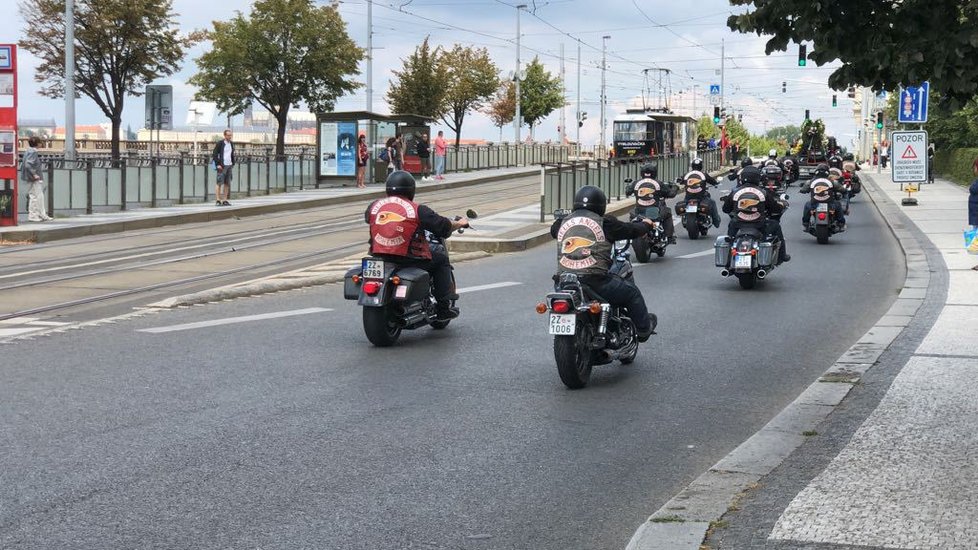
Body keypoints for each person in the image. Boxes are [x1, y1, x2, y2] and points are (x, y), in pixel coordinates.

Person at [550, 185, 657, 342]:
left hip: (564, 281)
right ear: (601, 205)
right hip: (595, 281)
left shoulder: (561, 223)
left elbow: (554, 231)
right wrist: (646, 224)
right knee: (632, 294)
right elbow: (631, 230)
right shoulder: (605, 223)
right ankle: (642, 331)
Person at [365, 171, 469, 320]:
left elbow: (368, 219)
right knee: (440, 260)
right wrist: (459, 223)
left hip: (378, 257)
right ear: (411, 189)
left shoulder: (373, 206)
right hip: (408, 259)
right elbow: (443, 227)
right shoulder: (417, 209)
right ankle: (443, 308)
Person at [721, 165, 790, 263]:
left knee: (730, 236)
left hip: (738, 225)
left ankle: (728, 258)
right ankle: (782, 255)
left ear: (742, 177)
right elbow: (775, 209)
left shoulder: (735, 191)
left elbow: (725, 209)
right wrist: (782, 205)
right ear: (758, 178)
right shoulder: (763, 192)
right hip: (759, 225)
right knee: (776, 226)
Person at [627, 163, 677, 244]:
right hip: (653, 211)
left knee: (632, 216)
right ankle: (669, 236)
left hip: (639, 211)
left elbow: (627, 192)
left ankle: (629, 235)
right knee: (667, 212)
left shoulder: (636, 183)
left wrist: (629, 186)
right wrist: (675, 187)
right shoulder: (658, 183)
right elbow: (670, 194)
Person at [800, 163, 846, 231]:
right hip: (830, 205)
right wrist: (844, 191)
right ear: (827, 172)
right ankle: (841, 224)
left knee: (807, 205)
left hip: (814, 205)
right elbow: (842, 189)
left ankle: (805, 224)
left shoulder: (810, 181)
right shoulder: (833, 182)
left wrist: (802, 190)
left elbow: (803, 190)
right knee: (838, 205)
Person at [680, 157, 721, 228]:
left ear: (692, 166)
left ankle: (685, 218)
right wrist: (716, 183)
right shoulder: (704, 175)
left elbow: (680, 181)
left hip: (689, 198)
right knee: (712, 203)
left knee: (684, 205)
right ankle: (716, 222)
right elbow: (713, 181)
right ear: (701, 166)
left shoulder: (687, 175)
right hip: (701, 197)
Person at [21, 136, 52, 222]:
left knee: (34, 196)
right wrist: (34, 174)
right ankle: (38, 215)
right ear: (38, 143)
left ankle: (37, 215)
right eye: (40, 142)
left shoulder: (28, 150)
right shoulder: (33, 152)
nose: (41, 144)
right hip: (33, 178)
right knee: (38, 196)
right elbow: (28, 164)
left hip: (29, 177)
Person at [211, 129, 235, 206]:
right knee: (219, 183)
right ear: (224, 135)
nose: (229, 137)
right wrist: (218, 164)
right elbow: (214, 154)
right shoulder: (220, 143)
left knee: (227, 183)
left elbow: (231, 154)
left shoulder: (231, 144)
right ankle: (218, 200)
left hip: (229, 165)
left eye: (230, 135)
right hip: (222, 166)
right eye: (228, 135)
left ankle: (225, 200)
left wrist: (233, 163)